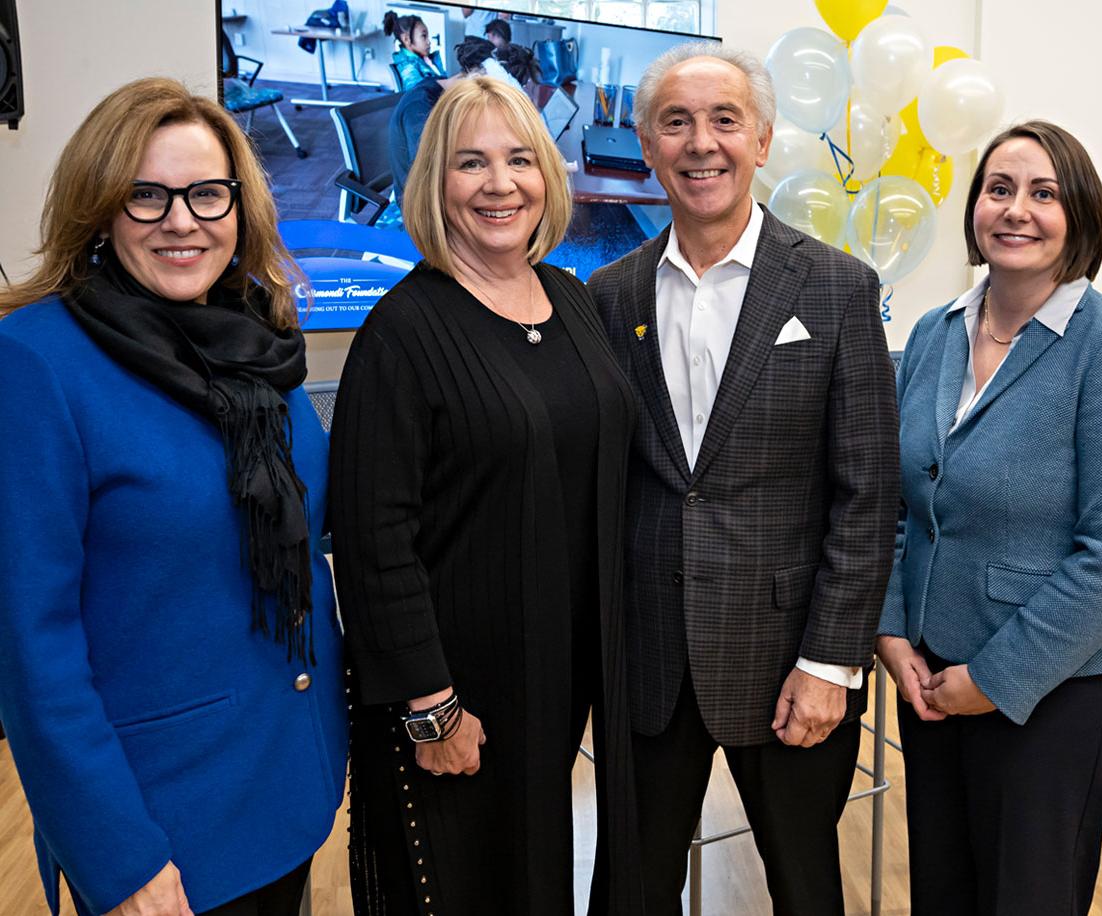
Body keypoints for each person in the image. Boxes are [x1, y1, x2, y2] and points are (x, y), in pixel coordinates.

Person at [0, 78, 347, 916]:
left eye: (206, 193)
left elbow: (316, 520)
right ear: (101, 207)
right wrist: (116, 858)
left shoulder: (257, 341)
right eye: (145, 195)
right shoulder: (36, 360)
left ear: (240, 206)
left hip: (289, 780)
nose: (181, 220)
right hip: (163, 825)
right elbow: (28, 649)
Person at [588, 42, 899, 915]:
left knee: (804, 889)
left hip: (786, 666)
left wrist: (830, 663)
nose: (701, 143)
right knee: (628, 891)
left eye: (724, 119)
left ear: (761, 140)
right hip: (647, 666)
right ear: (646, 146)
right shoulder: (607, 296)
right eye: (675, 123)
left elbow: (867, 495)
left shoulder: (837, 289)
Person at [329, 77, 642, 915]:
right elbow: (371, 541)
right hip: (463, 694)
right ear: (435, 184)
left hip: (567, 678)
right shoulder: (401, 333)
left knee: (539, 879)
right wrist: (432, 709)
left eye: (517, 161)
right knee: (468, 888)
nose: (499, 185)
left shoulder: (571, 300)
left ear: (547, 175)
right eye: (470, 164)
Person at [877, 120, 1102, 916]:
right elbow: (901, 501)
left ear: (1080, 217)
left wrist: (992, 682)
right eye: (998, 189)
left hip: (1048, 696)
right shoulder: (932, 332)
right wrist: (890, 630)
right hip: (928, 681)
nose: (1015, 210)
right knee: (944, 896)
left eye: (1042, 193)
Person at [390, 36, 537, 208]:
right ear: (476, 74)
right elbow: (430, 180)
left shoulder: (448, 97)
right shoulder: (420, 108)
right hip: (419, 209)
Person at [384, 11, 444, 91]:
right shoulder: (407, 68)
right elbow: (419, 95)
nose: (429, 41)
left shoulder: (427, 60)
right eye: (424, 36)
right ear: (406, 39)